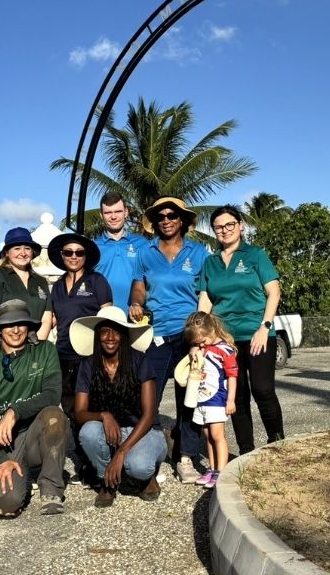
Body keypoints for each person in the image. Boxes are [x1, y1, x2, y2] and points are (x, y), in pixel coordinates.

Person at [128, 196, 208, 484]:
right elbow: (139, 287)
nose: (166, 220)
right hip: (157, 335)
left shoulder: (199, 253)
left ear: (182, 220)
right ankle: (150, 455)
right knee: (149, 397)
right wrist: (136, 303)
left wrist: (203, 334)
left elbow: (207, 294)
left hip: (190, 336)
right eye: (161, 216)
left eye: (172, 215)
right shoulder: (145, 253)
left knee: (189, 399)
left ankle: (185, 457)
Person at [197, 204, 284, 454]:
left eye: (229, 225)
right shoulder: (210, 262)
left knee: (262, 389)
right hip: (225, 340)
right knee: (238, 396)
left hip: (258, 333)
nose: (224, 231)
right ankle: (247, 451)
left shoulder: (256, 255)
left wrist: (264, 327)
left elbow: (273, 292)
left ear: (240, 226)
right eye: (218, 227)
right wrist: (201, 335)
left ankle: (277, 443)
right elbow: (206, 300)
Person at [0, 300, 68, 517]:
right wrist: (0, 459)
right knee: (7, 505)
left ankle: (51, 487)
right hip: (1, 443)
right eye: (9, 324)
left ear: (29, 326)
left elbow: (52, 394)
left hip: (33, 435)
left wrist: (14, 411)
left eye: (21, 323)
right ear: (0, 329)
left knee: (55, 416)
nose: (16, 330)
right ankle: (15, 478)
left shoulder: (46, 351)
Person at [71, 306, 165, 507]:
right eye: (104, 331)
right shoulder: (88, 365)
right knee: (88, 432)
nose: (110, 337)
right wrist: (104, 415)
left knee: (138, 467)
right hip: (110, 430)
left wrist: (121, 452)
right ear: (98, 336)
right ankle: (108, 481)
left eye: (116, 332)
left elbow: (148, 415)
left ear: (124, 335)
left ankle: (147, 476)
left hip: (142, 428)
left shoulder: (140, 360)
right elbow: (79, 413)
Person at [46, 232, 112, 480]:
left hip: (91, 356)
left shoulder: (97, 281)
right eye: (69, 253)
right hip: (63, 355)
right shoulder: (57, 286)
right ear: (62, 256)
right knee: (72, 410)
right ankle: (85, 461)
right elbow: (52, 320)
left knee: (95, 407)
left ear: (86, 256)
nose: (74, 257)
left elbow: (109, 317)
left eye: (79, 252)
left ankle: (104, 460)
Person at [182, 311, 237, 489]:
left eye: (203, 340)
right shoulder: (201, 349)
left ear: (212, 330)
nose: (201, 345)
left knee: (217, 435)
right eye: (196, 343)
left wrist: (231, 400)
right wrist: (195, 349)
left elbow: (232, 376)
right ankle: (212, 469)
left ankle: (221, 471)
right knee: (207, 436)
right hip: (202, 398)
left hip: (218, 398)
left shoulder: (225, 349)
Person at [0, 227, 53, 348]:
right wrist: (18, 340)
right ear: (7, 252)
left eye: (27, 248)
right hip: (2, 347)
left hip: (34, 347)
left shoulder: (41, 281)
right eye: (17, 248)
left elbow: (46, 319)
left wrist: (36, 346)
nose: (23, 253)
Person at [95, 192, 147, 312]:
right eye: (108, 212)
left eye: (118, 211)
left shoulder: (143, 244)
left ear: (126, 212)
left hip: (136, 317)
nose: (113, 217)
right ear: (101, 215)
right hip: (103, 317)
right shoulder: (93, 248)